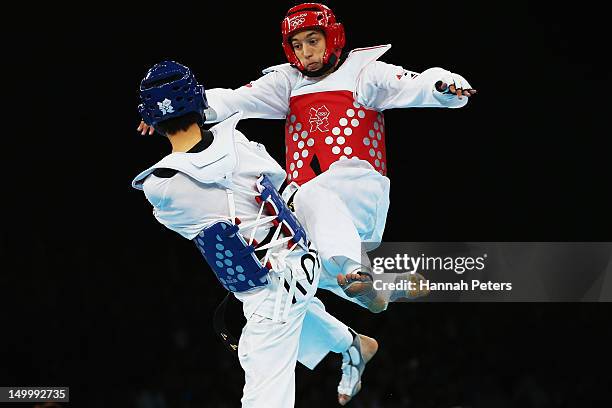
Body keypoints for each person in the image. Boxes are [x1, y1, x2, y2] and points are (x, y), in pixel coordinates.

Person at [140, 2, 466, 312]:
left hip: (359, 188)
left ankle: (355, 268)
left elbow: (419, 83)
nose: (306, 52)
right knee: (291, 261)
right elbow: (233, 99)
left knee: (315, 197)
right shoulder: (288, 83)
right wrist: (171, 110)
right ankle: (380, 288)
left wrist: (446, 85)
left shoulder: (364, 73)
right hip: (313, 206)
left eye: (313, 40)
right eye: (297, 45)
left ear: (333, 37)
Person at [132, 60, 378, 406]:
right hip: (303, 257)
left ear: (152, 120)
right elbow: (276, 181)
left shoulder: (160, 188)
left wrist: (164, 113)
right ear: (200, 102)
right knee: (305, 211)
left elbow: (186, 217)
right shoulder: (238, 140)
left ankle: (354, 327)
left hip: (271, 288)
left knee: (263, 387)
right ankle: (352, 339)